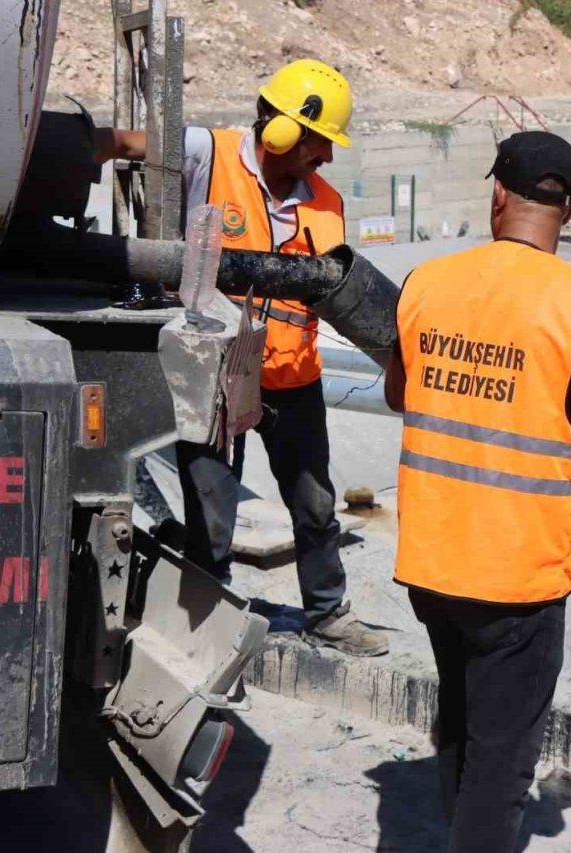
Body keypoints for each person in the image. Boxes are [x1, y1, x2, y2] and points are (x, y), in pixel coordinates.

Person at [384, 131, 571, 852]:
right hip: (518, 579)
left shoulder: (424, 284)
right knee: (502, 768)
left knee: (463, 718)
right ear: (567, 209)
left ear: (497, 192)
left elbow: (397, 391)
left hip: (433, 563)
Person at [95, 59, 388, 656]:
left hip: (293, 376)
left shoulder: (326, 202)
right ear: (284, 130)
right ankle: (207, 627)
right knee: (211, 509)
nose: (326, 159)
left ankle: (328, 613)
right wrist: (80, 150)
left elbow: (333, 288)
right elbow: (124, 144)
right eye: (319, 143)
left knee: (315, 503)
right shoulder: (209, 153)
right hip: (215, 375)